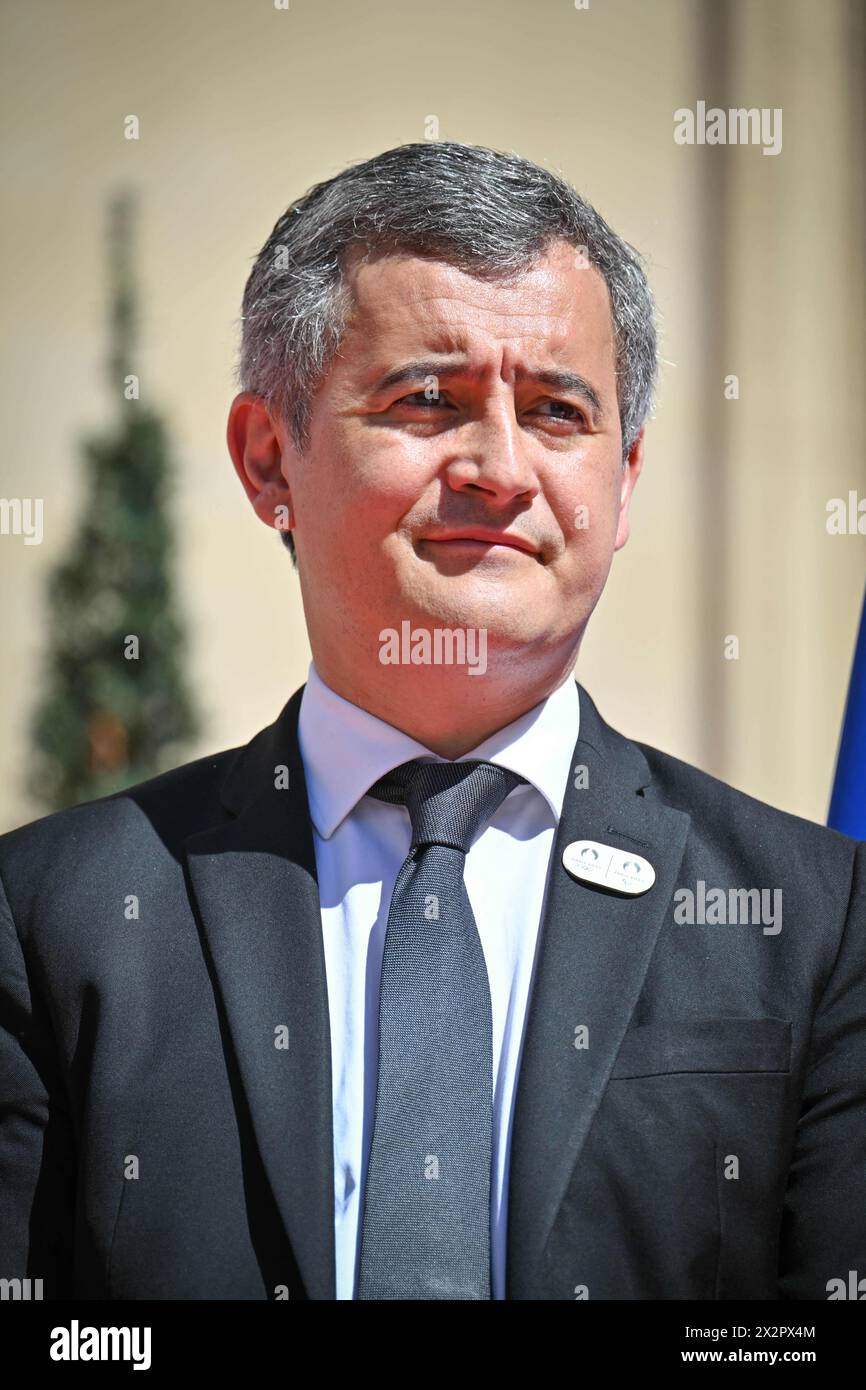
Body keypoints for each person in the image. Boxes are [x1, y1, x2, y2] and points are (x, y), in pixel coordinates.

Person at [1, 141, 863, 1302]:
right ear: (270, 459)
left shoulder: (812, 920)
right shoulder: (54, 912)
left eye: (558, 411)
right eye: (427, 400)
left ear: (623, 483)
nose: (501, 468)